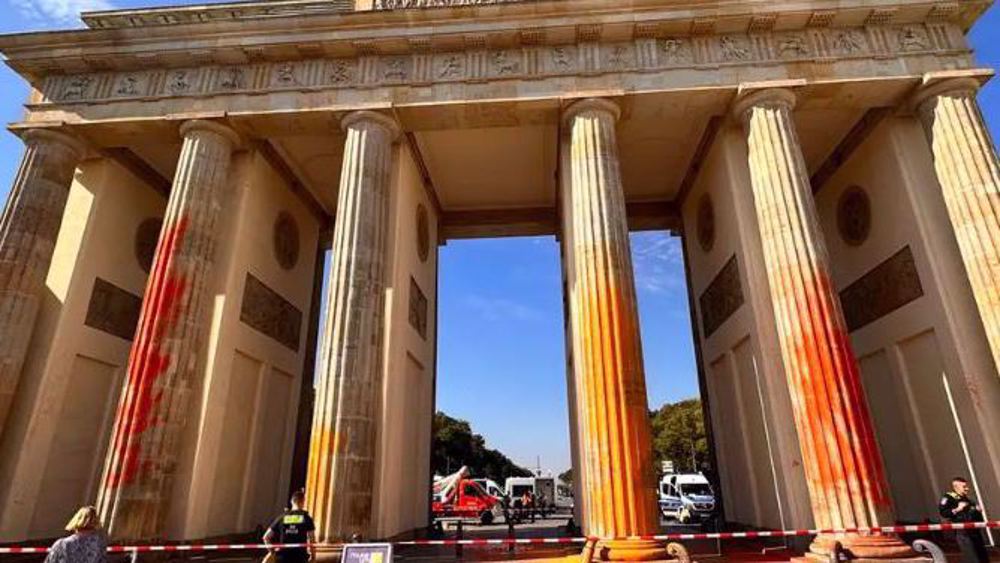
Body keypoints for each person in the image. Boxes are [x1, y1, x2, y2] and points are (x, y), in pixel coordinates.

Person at [939, 477, 989, 563]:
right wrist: (957, 509)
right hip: (963, 533)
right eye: (964, 486)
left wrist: (977, 510)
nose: (967, 488)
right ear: (956, 487)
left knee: (982, 556)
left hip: (975, 531)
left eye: (967, 486)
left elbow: (975, 515)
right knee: (972, 556)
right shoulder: (948, 498)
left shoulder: (967, 499)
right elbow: (944, 513)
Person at [264, 490, 316, 563]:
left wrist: (272, 552)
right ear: (303, 502)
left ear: (292, 501)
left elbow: (266, 537)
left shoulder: (281, 517)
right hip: (299, 557)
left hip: (283, 557)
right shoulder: (307, 518)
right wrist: (313, 556)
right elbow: (311, 539)